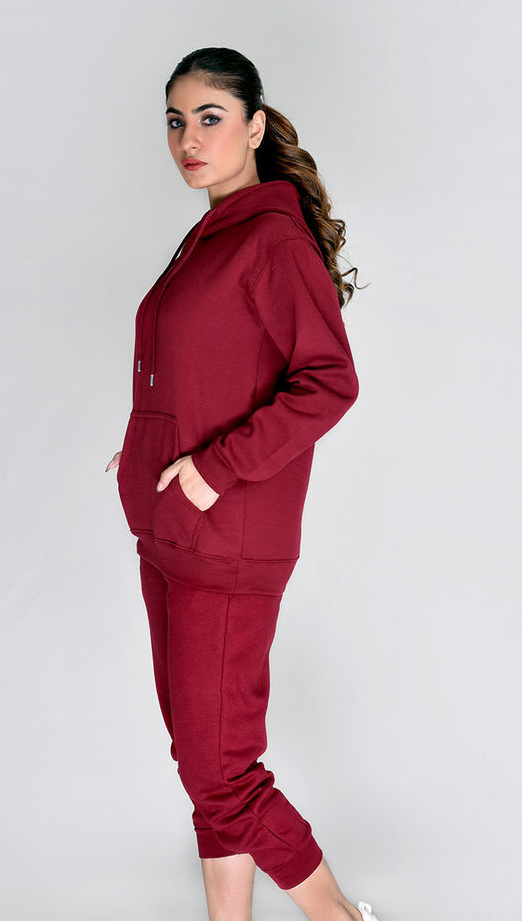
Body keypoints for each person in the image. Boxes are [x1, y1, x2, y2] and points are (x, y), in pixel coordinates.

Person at [106, 47, 378, 921]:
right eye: (175, 122)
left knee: (220, 767)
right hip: (170, 532)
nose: (189, 139)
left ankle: (337, 917)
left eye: (210, 118)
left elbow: (329, 381)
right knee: (204, 759)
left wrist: (213, 468)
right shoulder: (213, 233)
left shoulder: (271, 238)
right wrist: (148, 445)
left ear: (256, 127)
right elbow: (206, 367)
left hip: (226, 539)